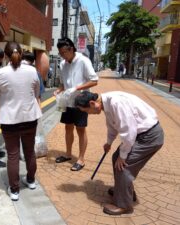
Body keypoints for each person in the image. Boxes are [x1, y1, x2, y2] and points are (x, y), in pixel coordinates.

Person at [74, 91, 164, 215]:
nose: (88, 114)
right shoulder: (107, 102)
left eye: (86, 111)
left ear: (92, 103)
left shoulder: (116, 103)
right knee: (116, 157)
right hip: (141, 135)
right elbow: (113, 125)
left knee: (123, 166)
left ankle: (124, 205)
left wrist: (123, 156)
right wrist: (109, 143)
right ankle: (125, 192)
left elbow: (129, 131)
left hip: (149, 137)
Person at [0, 41, 42, 201]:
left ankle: (15, 190)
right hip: (30, 118)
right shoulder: (32, 71)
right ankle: (31, 181)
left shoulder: (0, 73)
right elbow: (36, 92)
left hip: (9, 120)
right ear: (22, 54)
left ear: (5, 55)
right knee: (30, 151)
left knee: (12, 155)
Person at [54, 37, 98, 171]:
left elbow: (94, 80)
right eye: (60, 53)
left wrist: (77, 88)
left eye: (64, 53)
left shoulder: (83, 61)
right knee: (68, 127)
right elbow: (63, 82)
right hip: (67, 101)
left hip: (81, 101)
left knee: (80, 129)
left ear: (71, 49)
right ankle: (68, 154)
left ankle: (81, 159)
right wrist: (59, 90)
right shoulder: (63, 64)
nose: (62, 56)